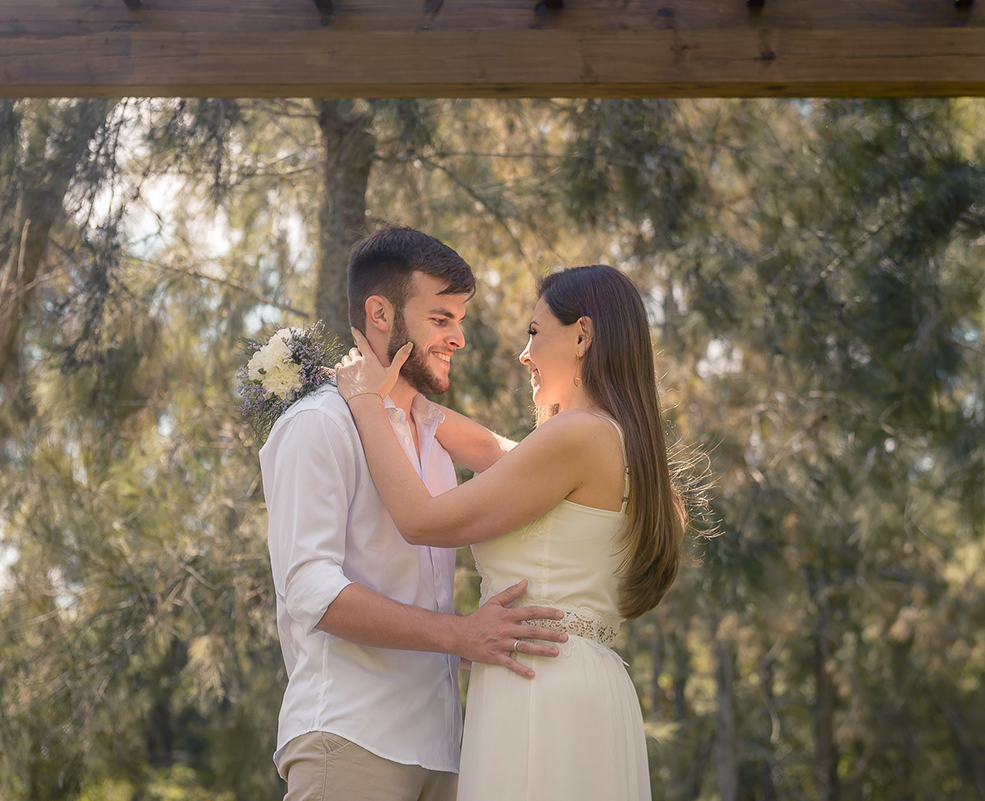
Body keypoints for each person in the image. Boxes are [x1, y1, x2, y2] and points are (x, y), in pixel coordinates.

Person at [335, 263, 687, 801]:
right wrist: (404, 396)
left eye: (534, 332)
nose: (525, 354)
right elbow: (490, 451)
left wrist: (362, 400)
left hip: (538, 686)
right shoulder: (618, 444)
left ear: (582, 336)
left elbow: (421, 519)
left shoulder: (577, 435)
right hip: (579, 684)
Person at [260, 226, 568, 801]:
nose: (458, 338)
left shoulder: (431, 433)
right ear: (381, 313)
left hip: (445, 753)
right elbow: (311, 591)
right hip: (350, 742)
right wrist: (462, 636)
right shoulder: (318, 425)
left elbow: (527, 463)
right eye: (440, 319)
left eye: (460, 319)